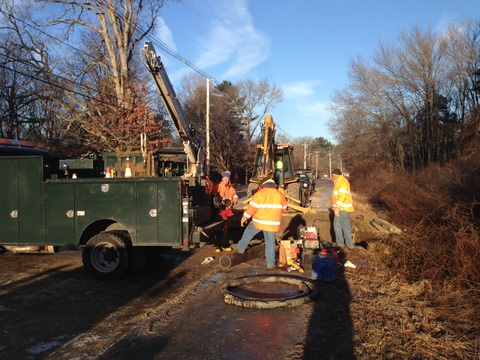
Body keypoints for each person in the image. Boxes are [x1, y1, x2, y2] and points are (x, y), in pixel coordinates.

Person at [237, 179, 288, 269]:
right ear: (274, 185)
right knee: (270, 243)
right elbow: (284, 209)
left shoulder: (259, 194)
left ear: (264, 185)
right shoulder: (280, 195)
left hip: (259, 221)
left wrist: (244, 217)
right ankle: (270, 264)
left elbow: (252, 208)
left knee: (248, 233)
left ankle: (241, 249)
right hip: (273, 224)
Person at [331, 168, 354, 250]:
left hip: (342, 209)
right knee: (346, 226)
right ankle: (350, 245)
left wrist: (337, 208)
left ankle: (340, 244)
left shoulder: (342, 183)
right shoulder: (340, 182)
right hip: (344, 209)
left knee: (337, 226)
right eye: (332, 176)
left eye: (334, 176)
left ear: (338, 175)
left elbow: (342, 197)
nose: (333, 177)